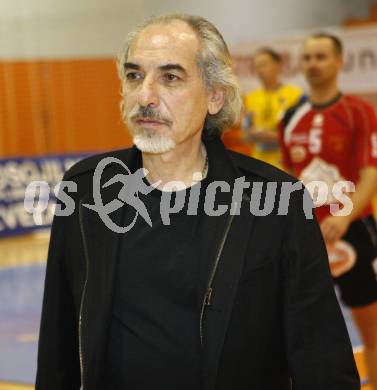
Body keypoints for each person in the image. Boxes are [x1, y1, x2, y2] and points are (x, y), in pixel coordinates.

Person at [36, 15, 359, 390]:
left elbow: (322, 359)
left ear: (214, 96)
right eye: (135, 76)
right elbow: (57, 350)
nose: (146, 96)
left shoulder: (278, 203)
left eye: (170, 77)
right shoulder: (86, 191)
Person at [279, 33, 377, 390]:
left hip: (354, 233)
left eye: (321, 56)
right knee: (299, 328)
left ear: (339, 61)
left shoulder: (359, 113)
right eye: (307, 58)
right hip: (306, 237)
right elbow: (290, 178)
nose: (313, 64)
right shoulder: (290, 118)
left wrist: (344, 215)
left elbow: (371, 174)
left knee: (371, 326)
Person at [243, 47, 302, 168]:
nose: (260, 70)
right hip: (258, 164)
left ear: (278, 65)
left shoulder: (295, 95)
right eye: (257, 66)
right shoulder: (251, 98)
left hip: (285, 165)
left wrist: (272, 136)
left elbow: (299, 136)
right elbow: (245, 136)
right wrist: (253, 135)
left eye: (264, 65)